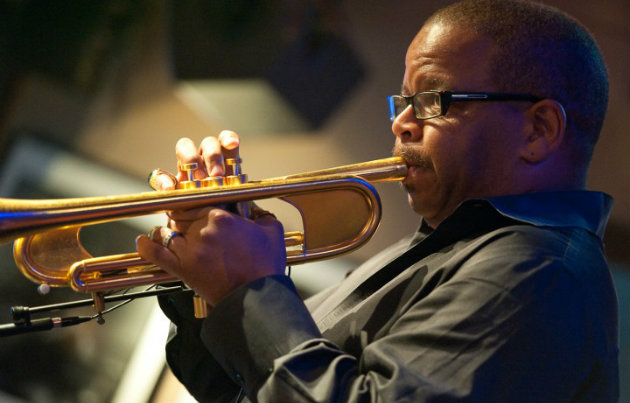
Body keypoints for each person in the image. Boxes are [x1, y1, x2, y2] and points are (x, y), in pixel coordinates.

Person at [136, 0, 619, 401]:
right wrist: (203, 272)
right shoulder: (443, 250)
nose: (401, 123)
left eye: (434, 100)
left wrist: (252, 288)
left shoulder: (538, 274)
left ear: (538, 130)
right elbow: (239, 390)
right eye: (403, 101)